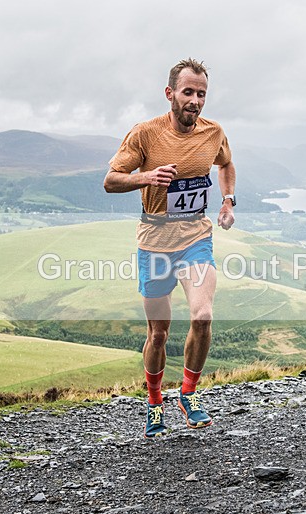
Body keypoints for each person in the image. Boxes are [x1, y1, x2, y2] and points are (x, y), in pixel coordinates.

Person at [103, 58, 236, 437]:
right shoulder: (145, 134)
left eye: (201, 94)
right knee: (158, 333)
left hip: (195, 236)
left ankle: (189, 394)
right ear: (170, 94)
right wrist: (146, 176)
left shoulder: (214, 132)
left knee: (203, 316)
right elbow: (111, 180)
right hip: (155, 242)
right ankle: (155, 401)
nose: (195, 101)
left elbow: (226, 164)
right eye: (188, 92)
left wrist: (228, 200)